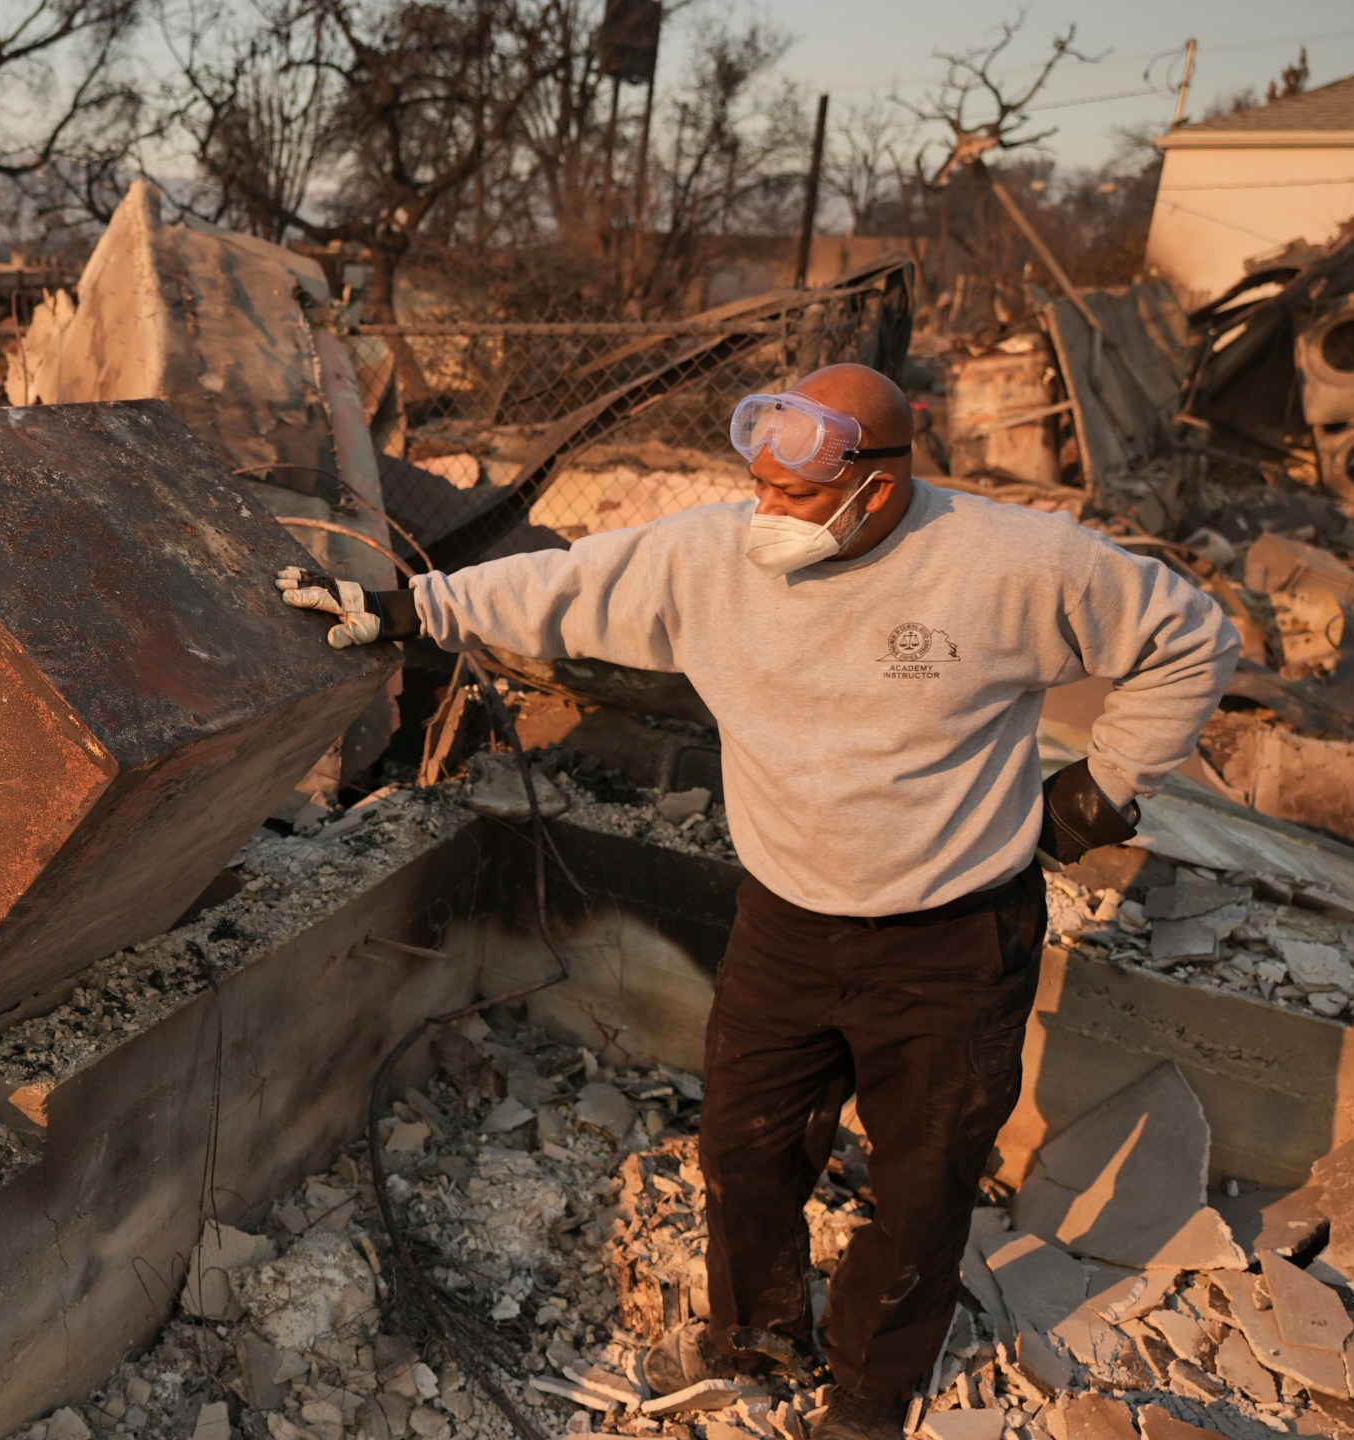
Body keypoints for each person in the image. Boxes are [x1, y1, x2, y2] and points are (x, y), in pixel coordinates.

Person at [276, 363, 1237, 1440]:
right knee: (745, 1147)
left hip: (952, 938)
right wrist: (408, 609)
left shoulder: (1015, 564)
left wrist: (1102, 792)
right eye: (758, 488)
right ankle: (754, 1334)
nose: (763, 514)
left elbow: (1191, 635)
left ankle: (870, 1394)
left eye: (791, 496)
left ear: (874, 489)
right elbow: (561, 588)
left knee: (922, 1185)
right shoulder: (709, 558)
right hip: (785, 921)